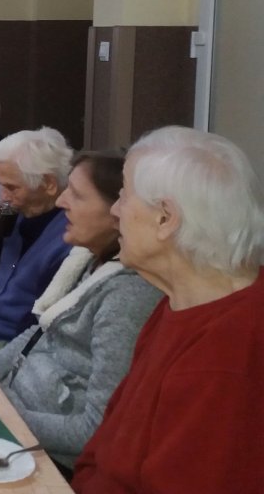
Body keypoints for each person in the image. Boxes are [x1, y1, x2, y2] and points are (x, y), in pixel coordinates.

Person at [72, 127, 264, 493]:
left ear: (165, 219)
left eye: (124, 195)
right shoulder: (179, 303)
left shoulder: (228, 352)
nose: (114, 210)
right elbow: (104, 447)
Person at [0, 151, 162, 472]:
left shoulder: (128, 295)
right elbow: (41, 329)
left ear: (118, 211)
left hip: (44, 456)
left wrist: (0, 415)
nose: (61, 201)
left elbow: (94, 428)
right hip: (10, 410)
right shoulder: (88, 258)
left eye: (77, 195)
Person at [0, 127, 74, 349]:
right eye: (1, 186)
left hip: (10, 351)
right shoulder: (20, 215)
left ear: (49, 184)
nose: (4, 197)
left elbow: (46, 331)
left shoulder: (70, 236)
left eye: (12, 188)